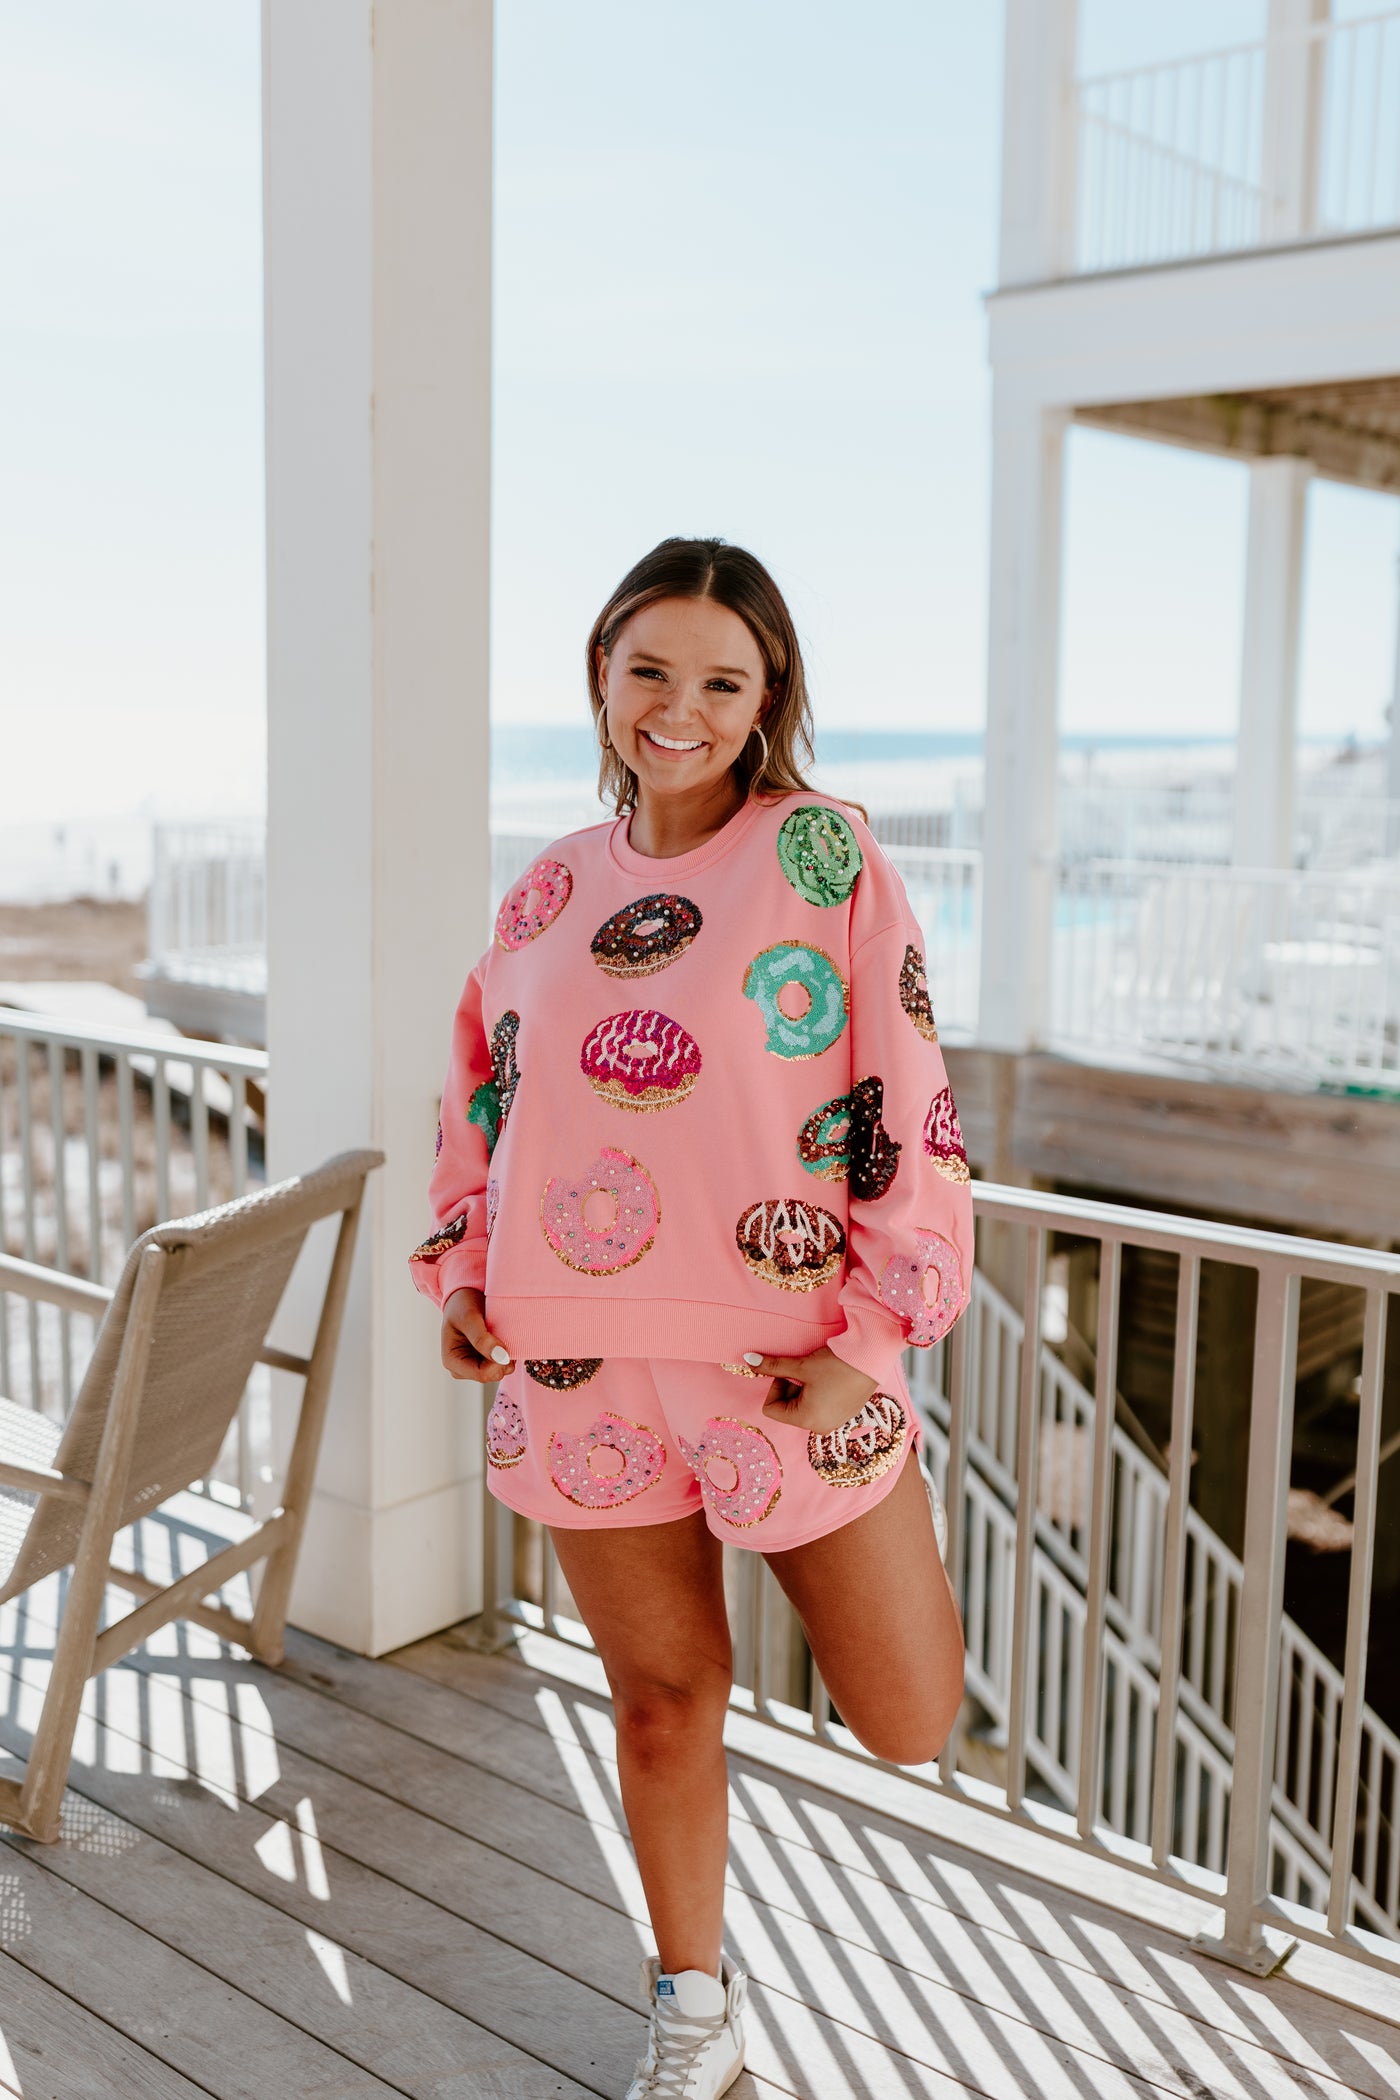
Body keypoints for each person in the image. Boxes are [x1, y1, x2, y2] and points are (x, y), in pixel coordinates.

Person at [410, 537, 972, 2100]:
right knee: (662, 1707)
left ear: (765, 696)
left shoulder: (825, 856)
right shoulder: (550, 887)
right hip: (575, 1366)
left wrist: (872, 1335)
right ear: (601, 672)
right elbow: (485, 1094)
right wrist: (461, 1266)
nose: (679, 705)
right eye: (649, 668)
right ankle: (695, 2013)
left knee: (913, 1719)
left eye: (721, 679)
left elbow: (908, 1095)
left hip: (794, 1363)